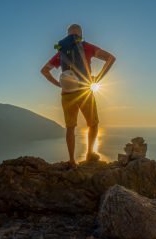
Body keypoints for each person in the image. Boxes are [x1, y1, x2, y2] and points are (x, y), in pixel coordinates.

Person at [41, 24, 116, 168]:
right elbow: (111, 58)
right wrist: (98, 78)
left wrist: (58, 84)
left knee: (70, 127)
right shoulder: (86, 46)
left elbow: (44, 71)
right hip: (84, 91)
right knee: (93, 123)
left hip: (67, 94)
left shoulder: (61, 52)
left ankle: (71, 161)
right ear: (80, 34)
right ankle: (89, 154)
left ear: (67, 34)